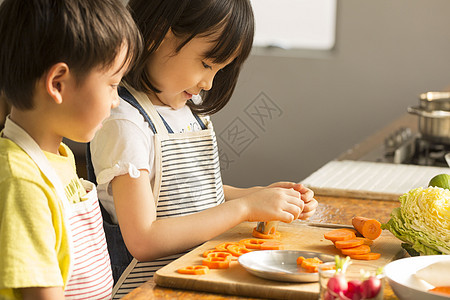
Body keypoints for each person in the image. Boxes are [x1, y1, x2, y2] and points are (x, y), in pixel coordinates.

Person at [88, 0, 318, 297]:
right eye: (206, 64)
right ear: (159, 34)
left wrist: (260, 196)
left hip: (191, 281)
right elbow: (144, 239)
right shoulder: (126, 123)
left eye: (219, 70)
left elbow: (189, 195)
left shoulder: (188, 108)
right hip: (144, 291)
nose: (209, 83)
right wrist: (244, 208)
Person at [0, 0, 142, 299]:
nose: (116, 101)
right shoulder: (22, 183)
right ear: (58, 83)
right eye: (112, 84)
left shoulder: (58, 158)